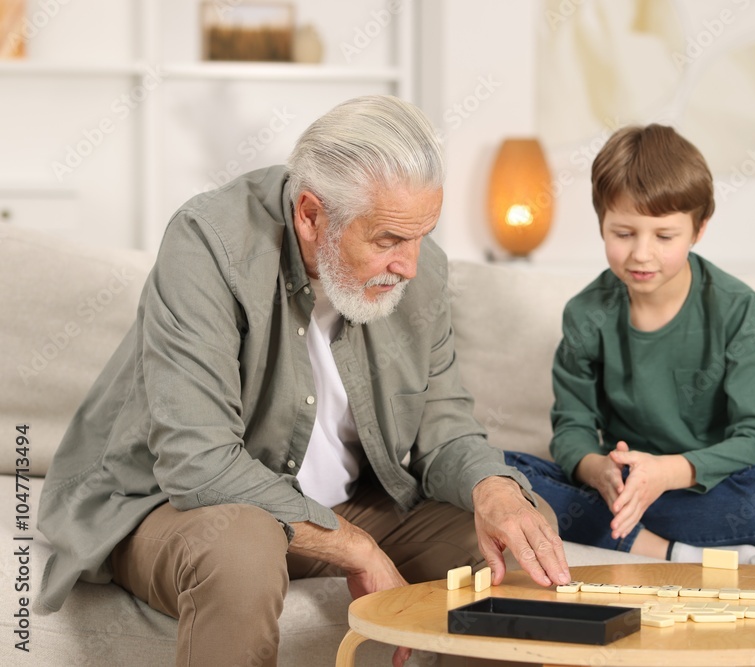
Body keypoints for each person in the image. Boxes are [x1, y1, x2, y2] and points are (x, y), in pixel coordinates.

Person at [37, 95, 570, 667]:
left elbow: (444, 428)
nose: (411, 266)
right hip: (180, 510)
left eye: (422, 235)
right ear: (311, 215)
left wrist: (496, 491)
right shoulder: (207, 244)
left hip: (351, 502)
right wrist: (353, 546)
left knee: (512, 550)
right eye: (388, 240)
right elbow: (198, 461)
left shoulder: (421, 269)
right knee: (243, 550)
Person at [505, 124, 755, 566]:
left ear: (698, 230)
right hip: (620, 487)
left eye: (664, 237)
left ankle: (622, 530)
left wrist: (667, 473)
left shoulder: (735, 307)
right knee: (500, 471)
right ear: (601, 224)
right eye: (623, 233)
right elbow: (572, 427)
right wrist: (598, 470)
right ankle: (673, 551)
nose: (641, 254)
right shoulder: (586, 313)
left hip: (703, 486)